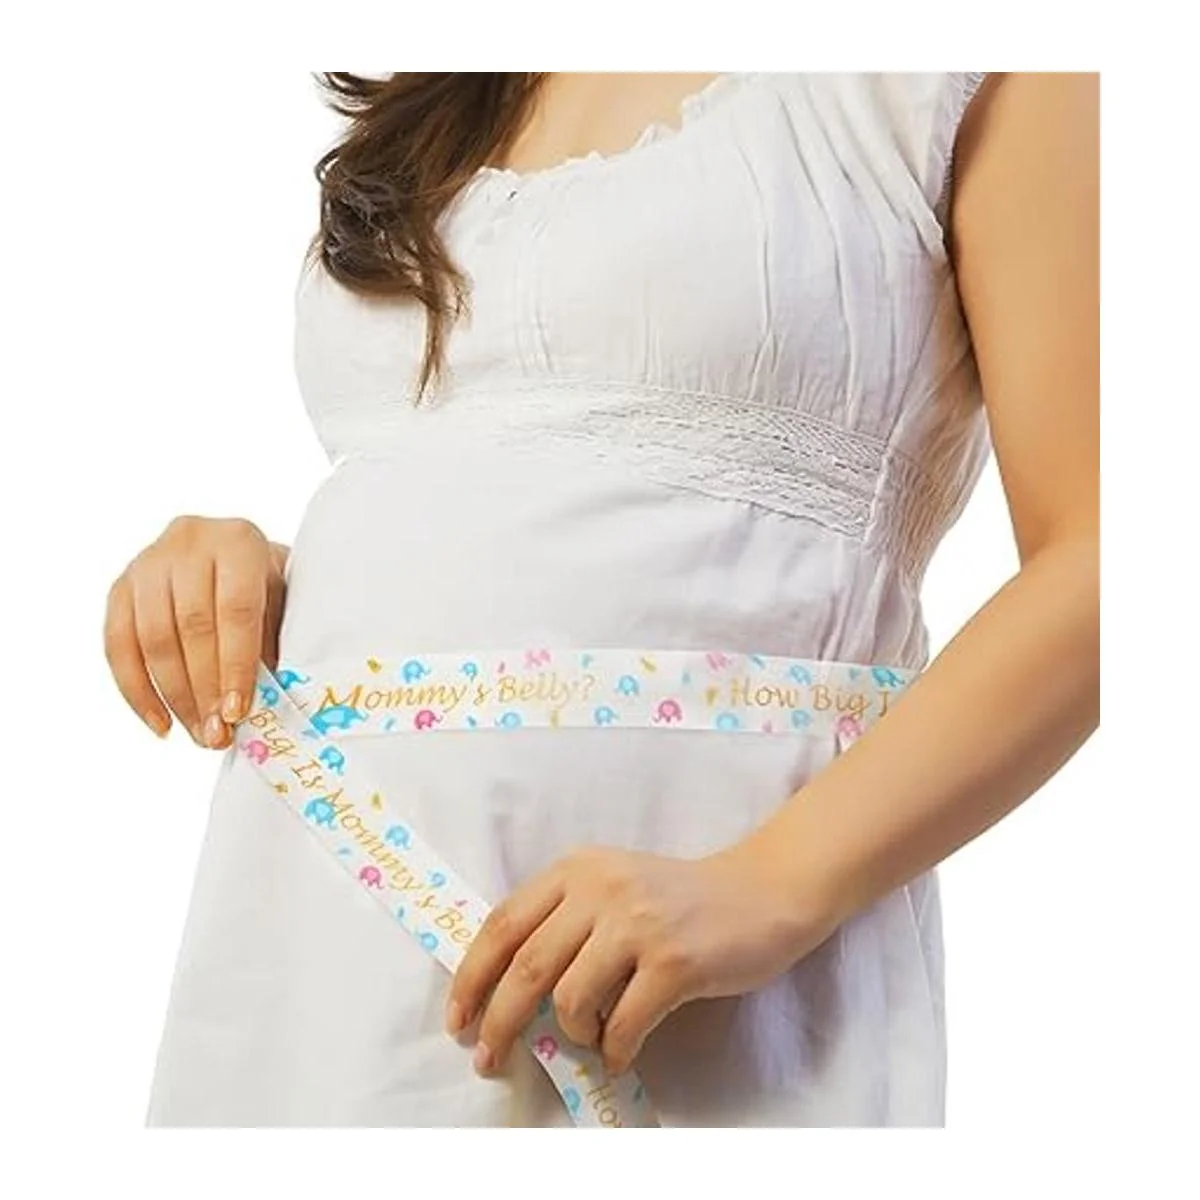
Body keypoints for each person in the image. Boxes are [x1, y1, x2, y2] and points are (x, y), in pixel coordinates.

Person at [104, 71, 1099, 1127]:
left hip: (691, 985)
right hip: (313, 942)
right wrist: (259, 586)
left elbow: (1109, 554)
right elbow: (486, 498)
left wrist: (773, 880)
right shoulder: (447, 88)